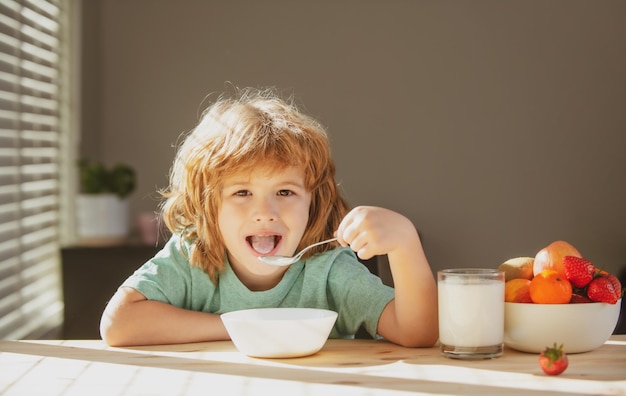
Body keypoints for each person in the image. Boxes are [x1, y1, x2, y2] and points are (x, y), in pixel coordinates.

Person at [99, 87, 438, 348]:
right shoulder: (193, 256)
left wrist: (405, 243)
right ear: (209, 205)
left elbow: (417, 333)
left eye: (285, 193)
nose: (264, 213)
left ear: (313, 201)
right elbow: (118, 323)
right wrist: (246, 327)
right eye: (242, 193)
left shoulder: (328, 268)